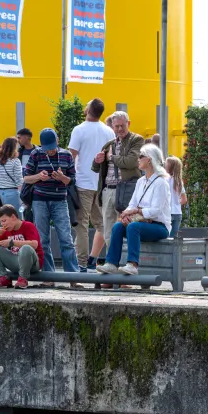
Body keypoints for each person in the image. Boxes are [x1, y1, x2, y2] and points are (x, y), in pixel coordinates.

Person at [97, 144, 171, 276]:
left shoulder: (161, 183)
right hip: (142, 223)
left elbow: (156, 211)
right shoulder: (141, 181)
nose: (138, 159)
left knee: (133, 227)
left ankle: (132, 264)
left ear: (149, 159)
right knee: (118, 226)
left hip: (159, 226)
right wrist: (126, 214)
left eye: (140, 156)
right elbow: (132, 204)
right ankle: (111, 263)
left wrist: (134, 211)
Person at [23, 128, 79, 284]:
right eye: (47, 148)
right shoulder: (36, 154)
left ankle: (73, 276)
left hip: (60, 200)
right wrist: (38, 177)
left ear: (58, 141)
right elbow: (26, 178)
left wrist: (62, 178)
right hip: (39, 199)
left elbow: (73, 181)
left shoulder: (67, 155)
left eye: (53, 147)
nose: (50, 151)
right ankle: (48, 275)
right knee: (43, 239)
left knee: (66, 238)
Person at [91, 112, 144, 270]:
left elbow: (131, 161)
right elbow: (95, 168)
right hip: (108, 190)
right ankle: (111, 264)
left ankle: (127, 266)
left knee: (128, 227)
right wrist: (97, 160)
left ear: (129, 123)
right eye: (116, 126)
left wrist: (112, 158)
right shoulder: (109, 144)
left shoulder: (137, 140)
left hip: (128, 190)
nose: (120, 129)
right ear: (112, 127)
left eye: (122, 125)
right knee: (108, 231)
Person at [68, 98, 115, 270]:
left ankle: (81, 263)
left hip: (83, 182)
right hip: (102, 184)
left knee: (81, 223)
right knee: (103, 224)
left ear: (88, 109)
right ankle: (112, 260)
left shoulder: (79, 130)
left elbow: (70, 156)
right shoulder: (109, 131)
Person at [0, 204, 43, 289]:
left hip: (32, 264)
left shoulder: (28, 225)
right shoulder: (6, 230)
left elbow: (34, 244)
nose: (2, 224)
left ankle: (23, 278)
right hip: (15, 261)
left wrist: (12, 242)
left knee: (26, 248)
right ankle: (4, 277)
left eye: (4, 221)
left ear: (13, 217)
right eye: (0, 222)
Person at [0, 137, 24, 217]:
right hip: (12, 194)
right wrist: (23, 197)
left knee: (1, 220)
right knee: (16, 219)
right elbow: (19, 181)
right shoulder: (15, 161)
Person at [165, 156, 187, 238]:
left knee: (165, 237)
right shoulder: (179, 181)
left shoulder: (165, 180)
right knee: (174, 238)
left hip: (167, 212)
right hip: (177, 212)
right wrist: (177, 202)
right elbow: (184, 200)